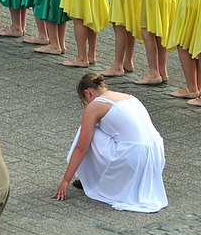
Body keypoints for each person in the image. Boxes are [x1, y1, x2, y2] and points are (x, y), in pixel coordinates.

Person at [54, 73, 168, 213]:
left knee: (85, 132)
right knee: (95, 129)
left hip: (133, 157)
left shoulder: (95, 105)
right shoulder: (129, 97)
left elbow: (81, 148)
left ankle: (88, 178)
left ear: (87, 93)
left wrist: (65, 181)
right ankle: (93, 177)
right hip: (156, 154)